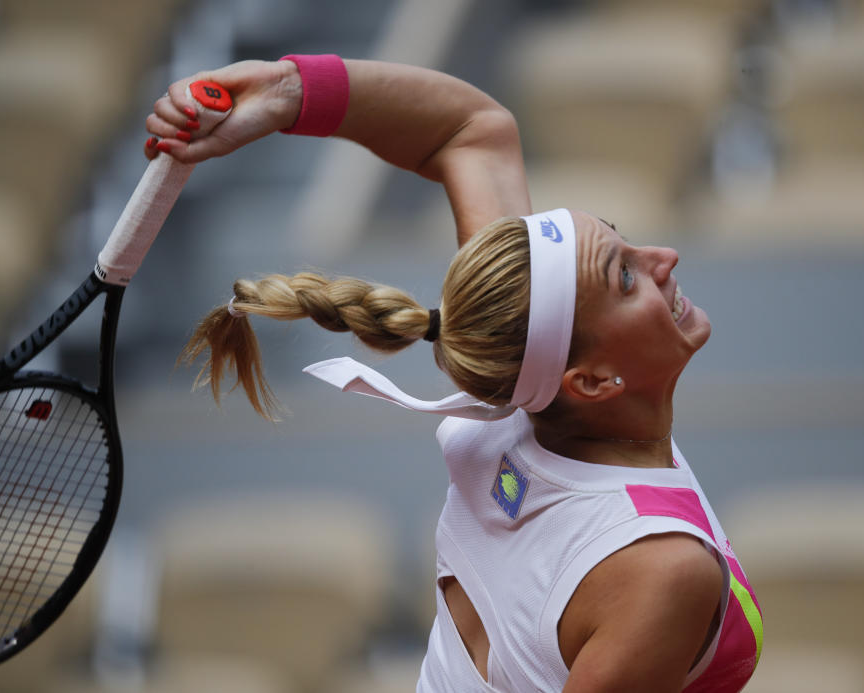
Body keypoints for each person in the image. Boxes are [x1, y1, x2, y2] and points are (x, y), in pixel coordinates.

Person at [146, 56, 763, 692]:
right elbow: (466, 130)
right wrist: (288, 92)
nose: (664, 257)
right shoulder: (659, 569)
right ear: (591, 379)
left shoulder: (521, 387)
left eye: (625, 248)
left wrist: (286, 89)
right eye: (626, 274)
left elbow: (470, 130)